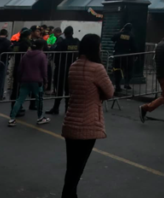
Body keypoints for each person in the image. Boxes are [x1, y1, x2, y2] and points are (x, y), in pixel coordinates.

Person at [61, 34, 114, 198]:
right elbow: (110, 92)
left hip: (71, 121)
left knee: (72, 167)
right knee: (78, 168)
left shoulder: (73, 66)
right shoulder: (97, 68)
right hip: (88, 123)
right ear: (94, 48)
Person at [9, 39, 50, 126]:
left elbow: (20, 68)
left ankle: (12, 118)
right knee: (39, 100)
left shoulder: (26, 55)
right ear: (42, 46)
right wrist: (46, 80)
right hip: (37, 81)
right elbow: (44, 70)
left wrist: (19, 79)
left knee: (20, 99)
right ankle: (40, 117)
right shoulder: (42, 55)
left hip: (25, 80)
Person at [47, 26, 81, 115]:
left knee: (59, 89)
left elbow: (55, 52)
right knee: (68, 90)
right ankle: (67, 109)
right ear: (72, 33)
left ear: (64, 34)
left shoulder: (62, 42)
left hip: (61, 68)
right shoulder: (77, 42)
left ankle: (56, 108)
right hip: (73, 68)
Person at [111, 23, 136, 91]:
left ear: (124, 28)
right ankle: (126, 83)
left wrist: (120, 32)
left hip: (118, 55)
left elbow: (112, 38)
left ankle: (118, 86)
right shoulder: (131, 36)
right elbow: (134, 47)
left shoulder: (119, 34)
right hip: (127, 57)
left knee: (117, 70)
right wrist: (135, 55)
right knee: (128, 70)